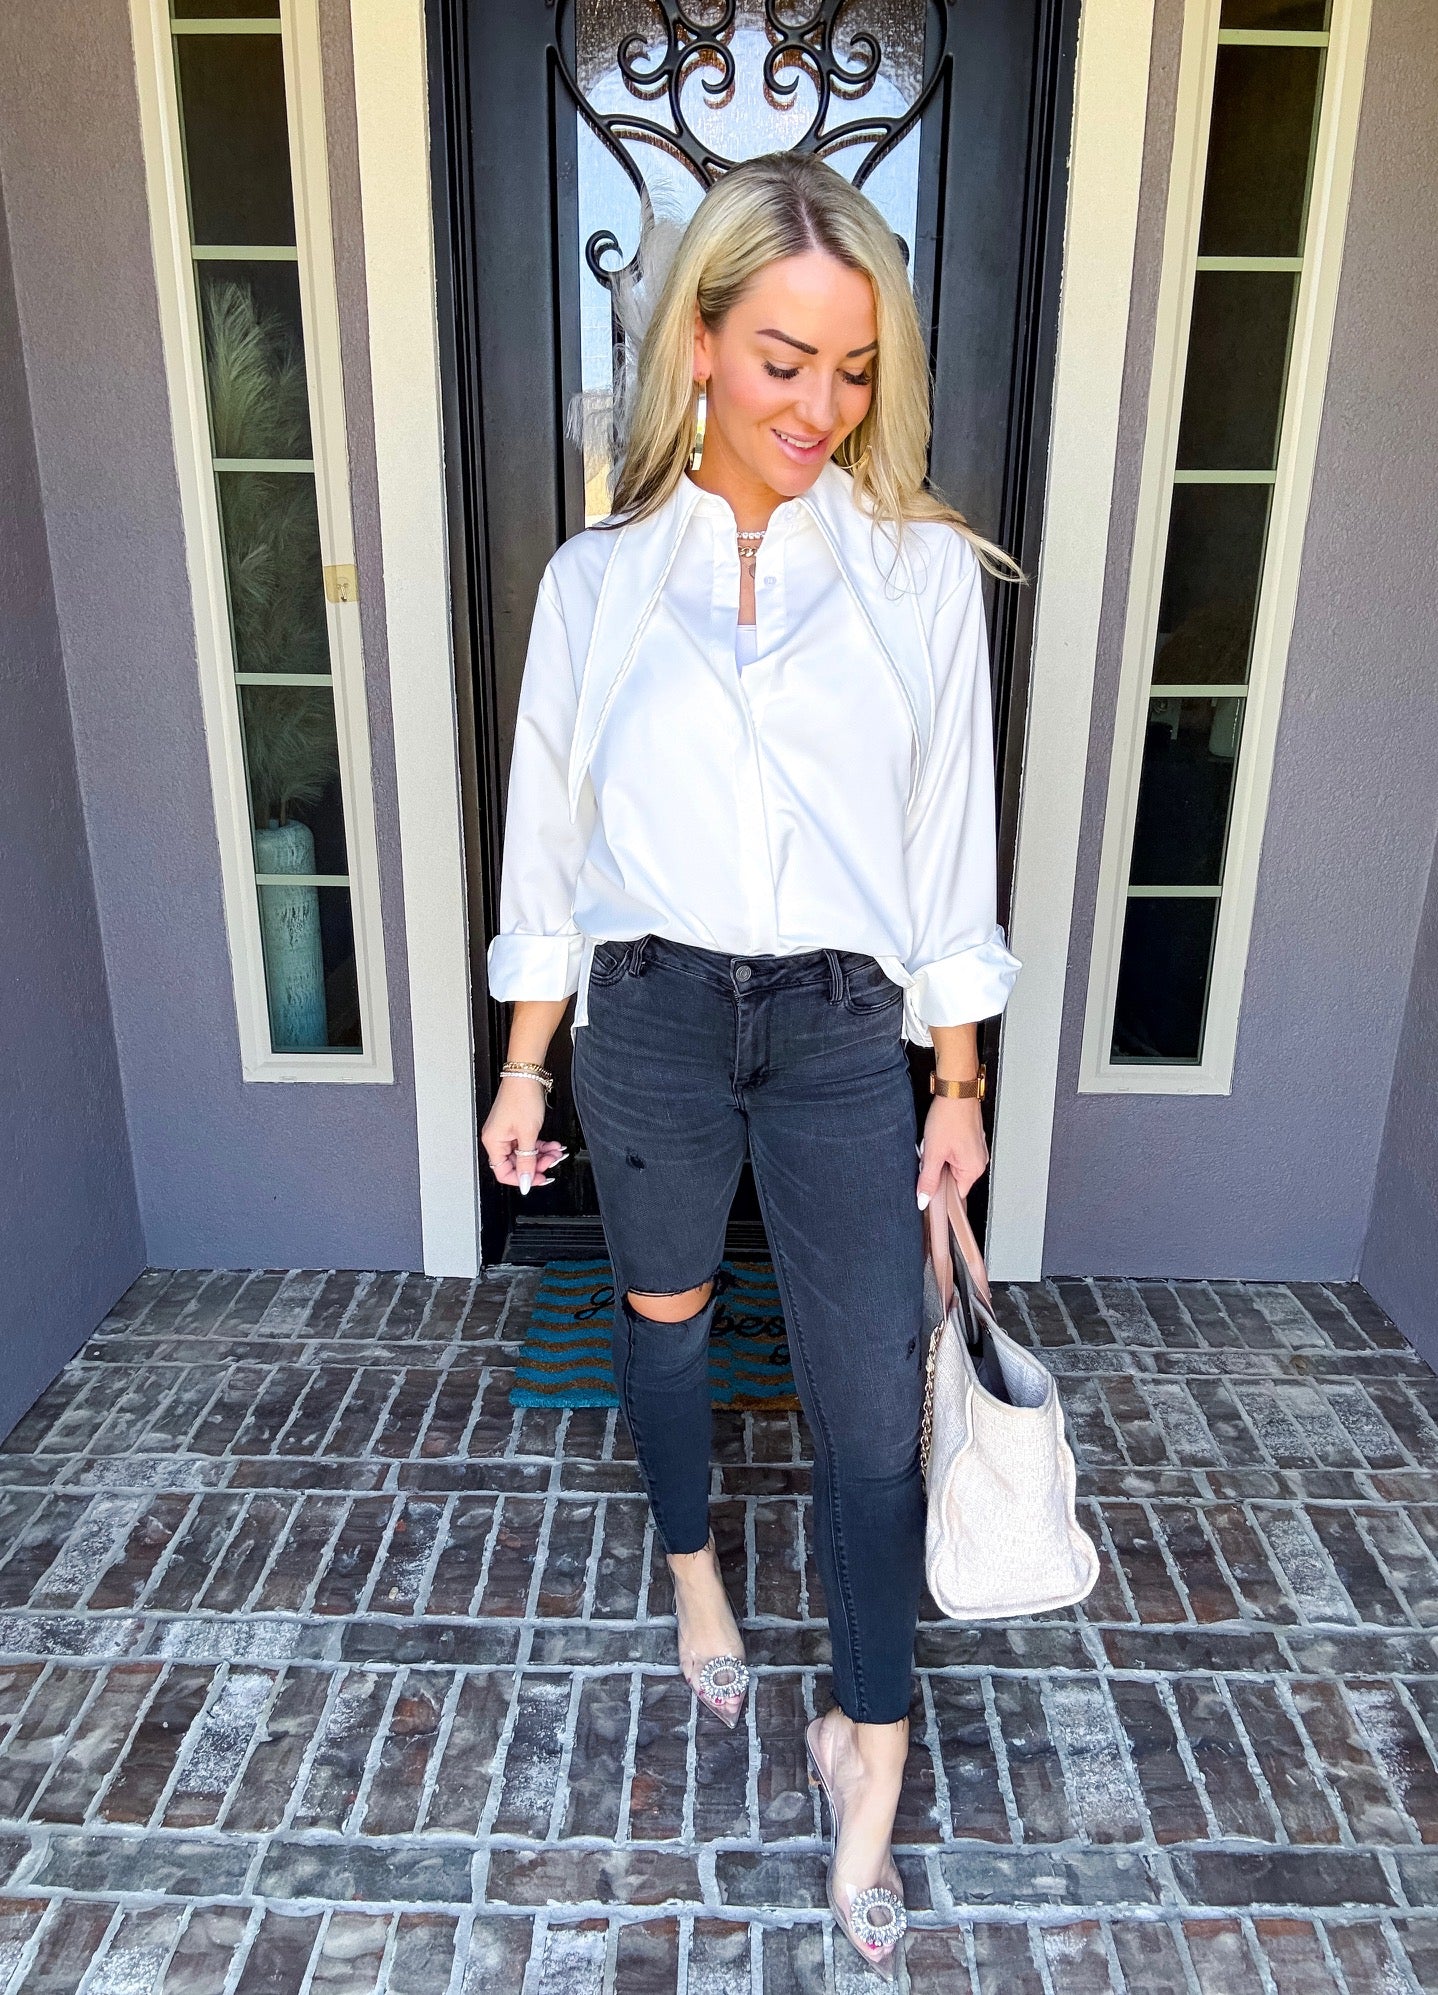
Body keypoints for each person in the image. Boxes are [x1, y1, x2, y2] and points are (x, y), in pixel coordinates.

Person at [481, 150, 1020, 1979]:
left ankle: (868, 1748)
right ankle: (693, 1572)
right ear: (698, 344)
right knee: (665, 1326)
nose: (819, 406)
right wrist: (524, 1066)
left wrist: (958, 1084)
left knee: (870, 1415)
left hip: (842, 1032)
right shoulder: (596, 583)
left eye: (853, 370)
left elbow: (948, 857)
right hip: (643, 1011)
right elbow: (548, 845)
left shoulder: (916, 576)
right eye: (784, 360)